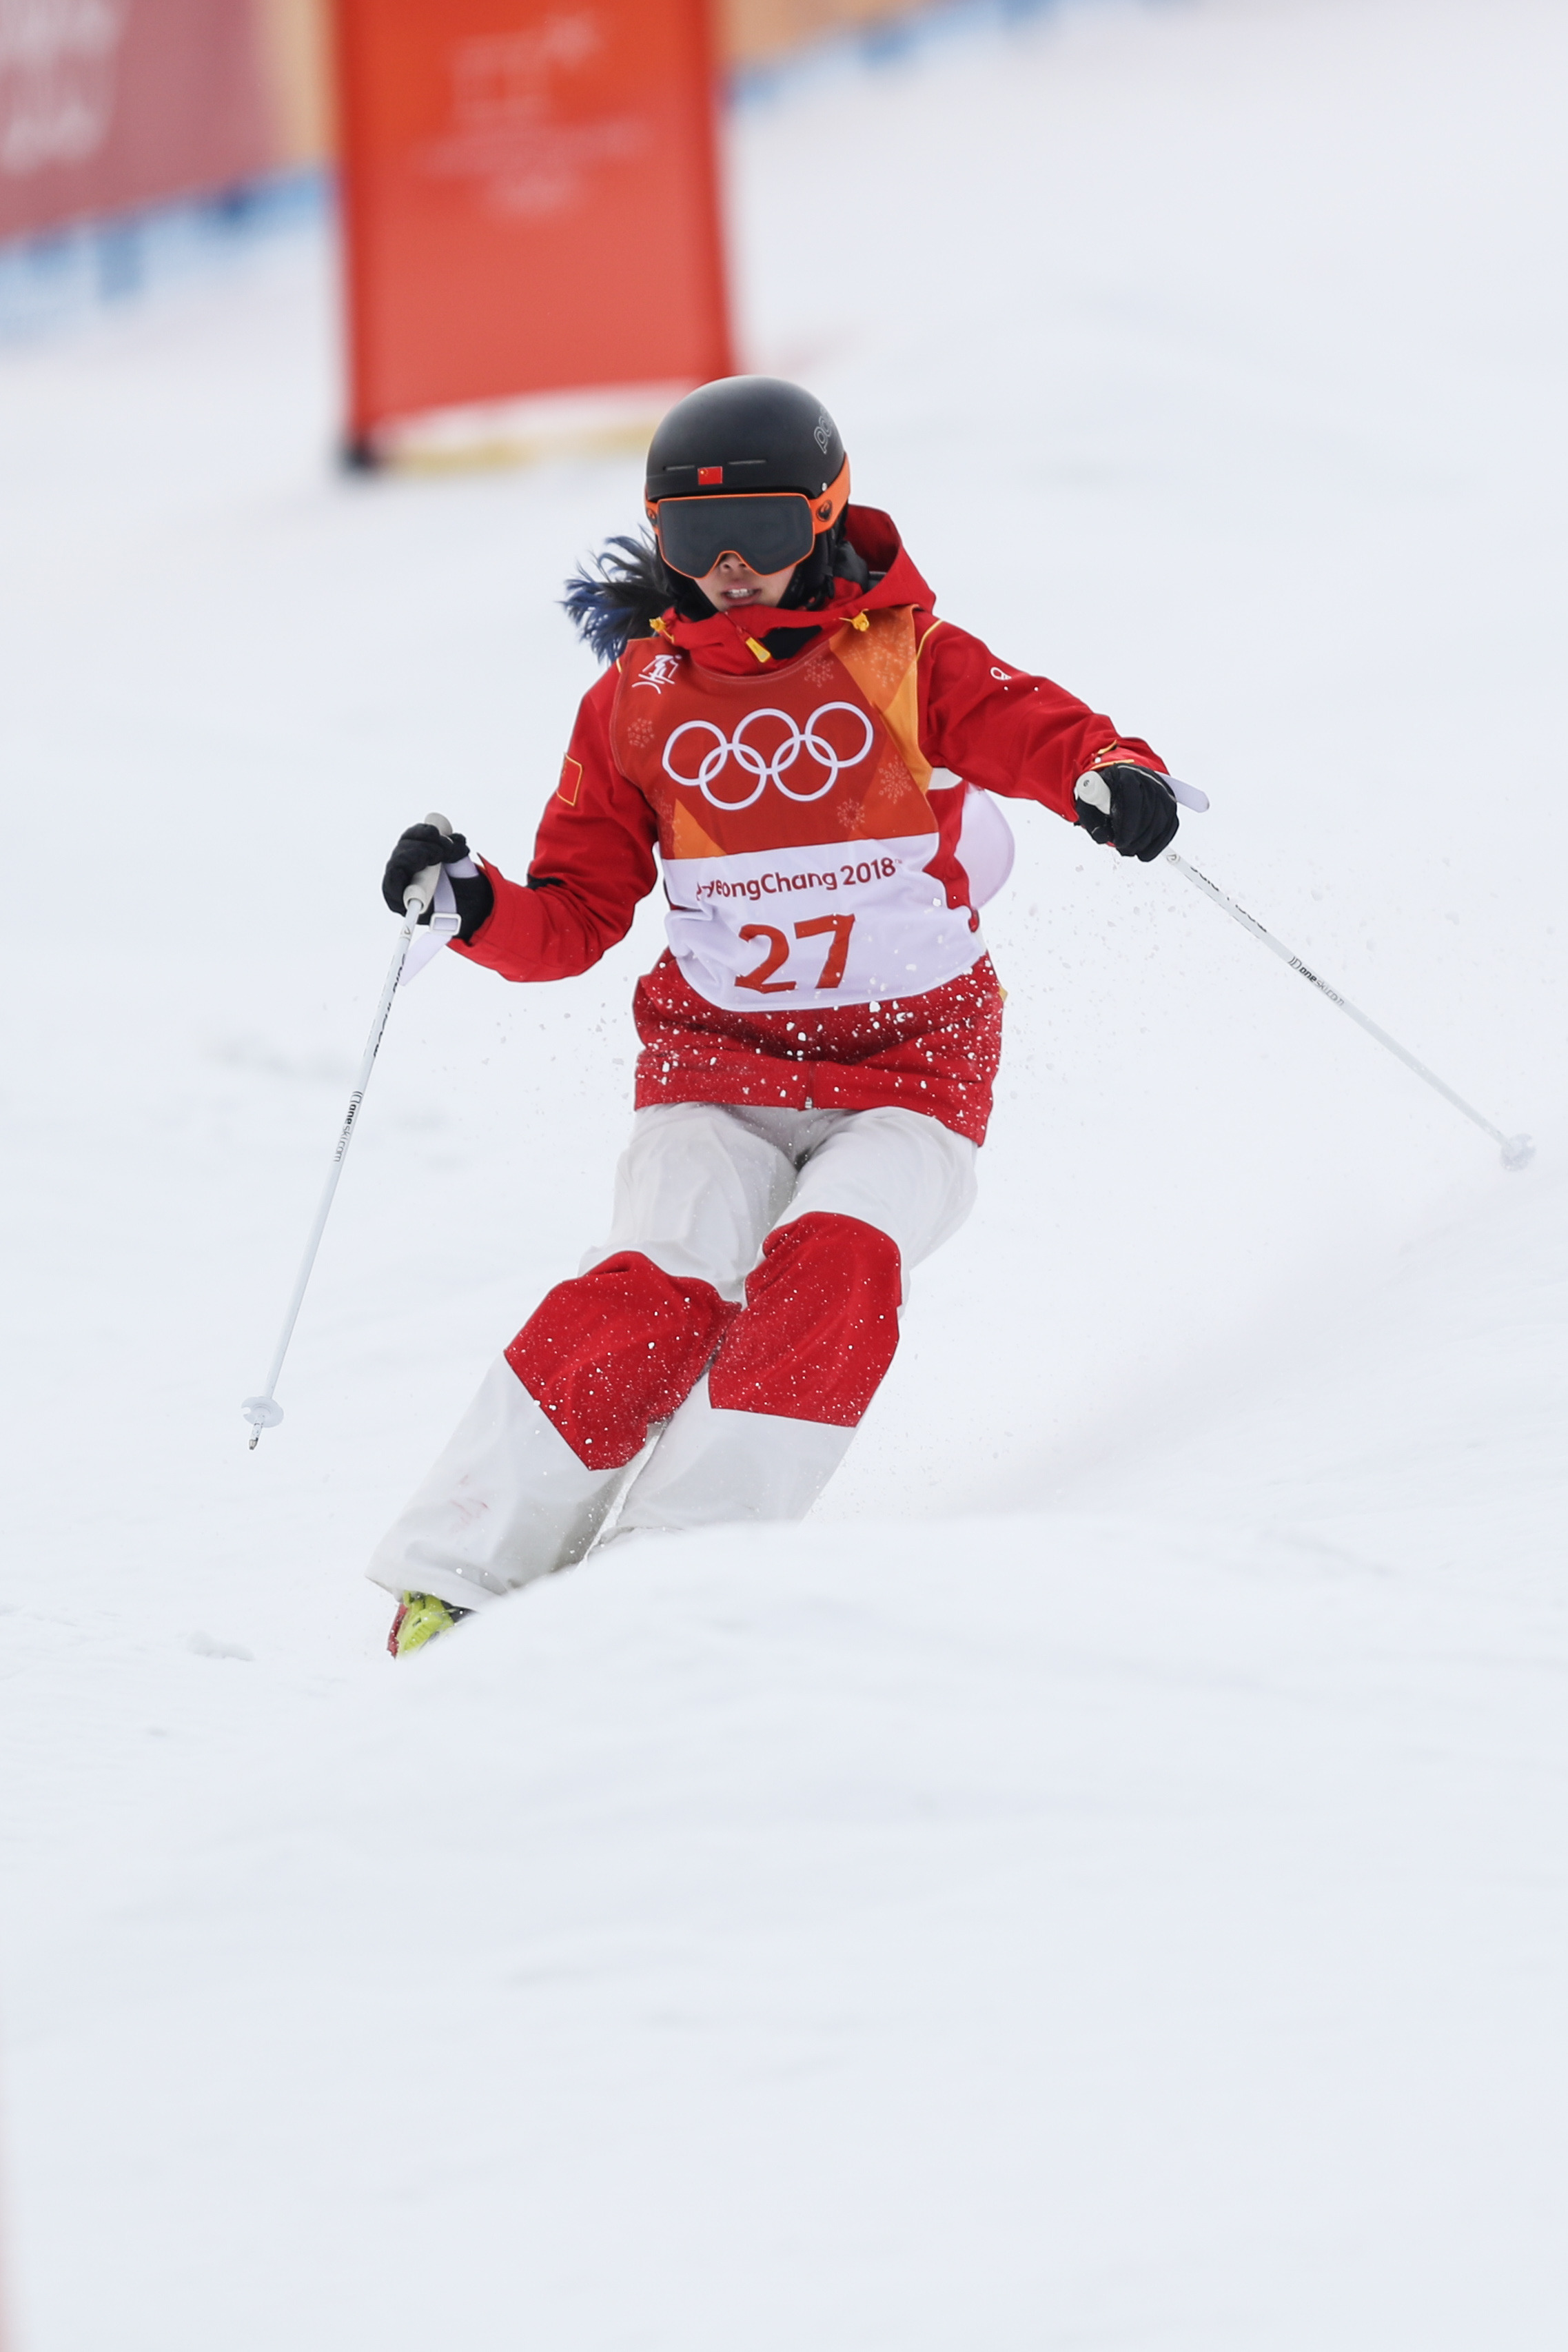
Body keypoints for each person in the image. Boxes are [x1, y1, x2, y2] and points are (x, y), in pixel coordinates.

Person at [369, 376, 1180, 1657]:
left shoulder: (906, 660)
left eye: (763, 532)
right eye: (694, 543)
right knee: (659, 1286)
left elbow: (1031, 726)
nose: (731, 569)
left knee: (838, 1268)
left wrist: (1105, 771)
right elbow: (573, 919)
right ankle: (465, 1569)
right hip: (718, 1067)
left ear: (828, 516)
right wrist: (471, 906)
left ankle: (678, 1569)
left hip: (910, 1073)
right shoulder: (636, 702)